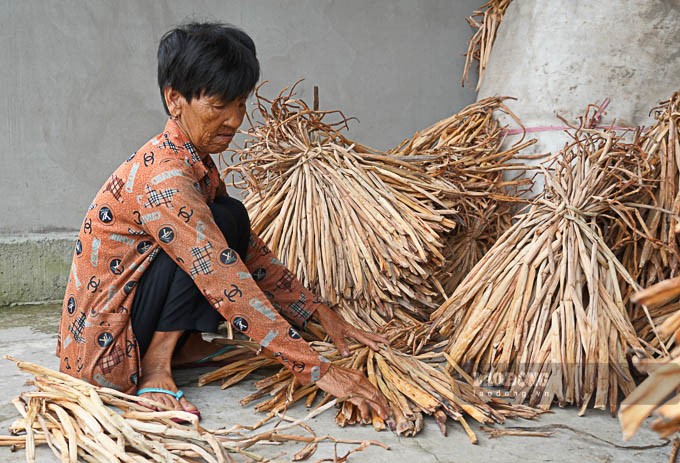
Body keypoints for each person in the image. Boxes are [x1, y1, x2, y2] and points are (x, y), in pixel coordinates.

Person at [56, 22, 390, 421]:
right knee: (207, 242)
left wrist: (319, 313)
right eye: (219, 106)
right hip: (105, 352)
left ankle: (185, 344)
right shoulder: (164, 177)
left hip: (130, 321)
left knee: (230, 217)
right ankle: (158, 367)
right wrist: (316, 368)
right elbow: (223, 277)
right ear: (174, 99)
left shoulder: (193, 161)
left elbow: (248, 251)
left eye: (241, 105)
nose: (234, 120)